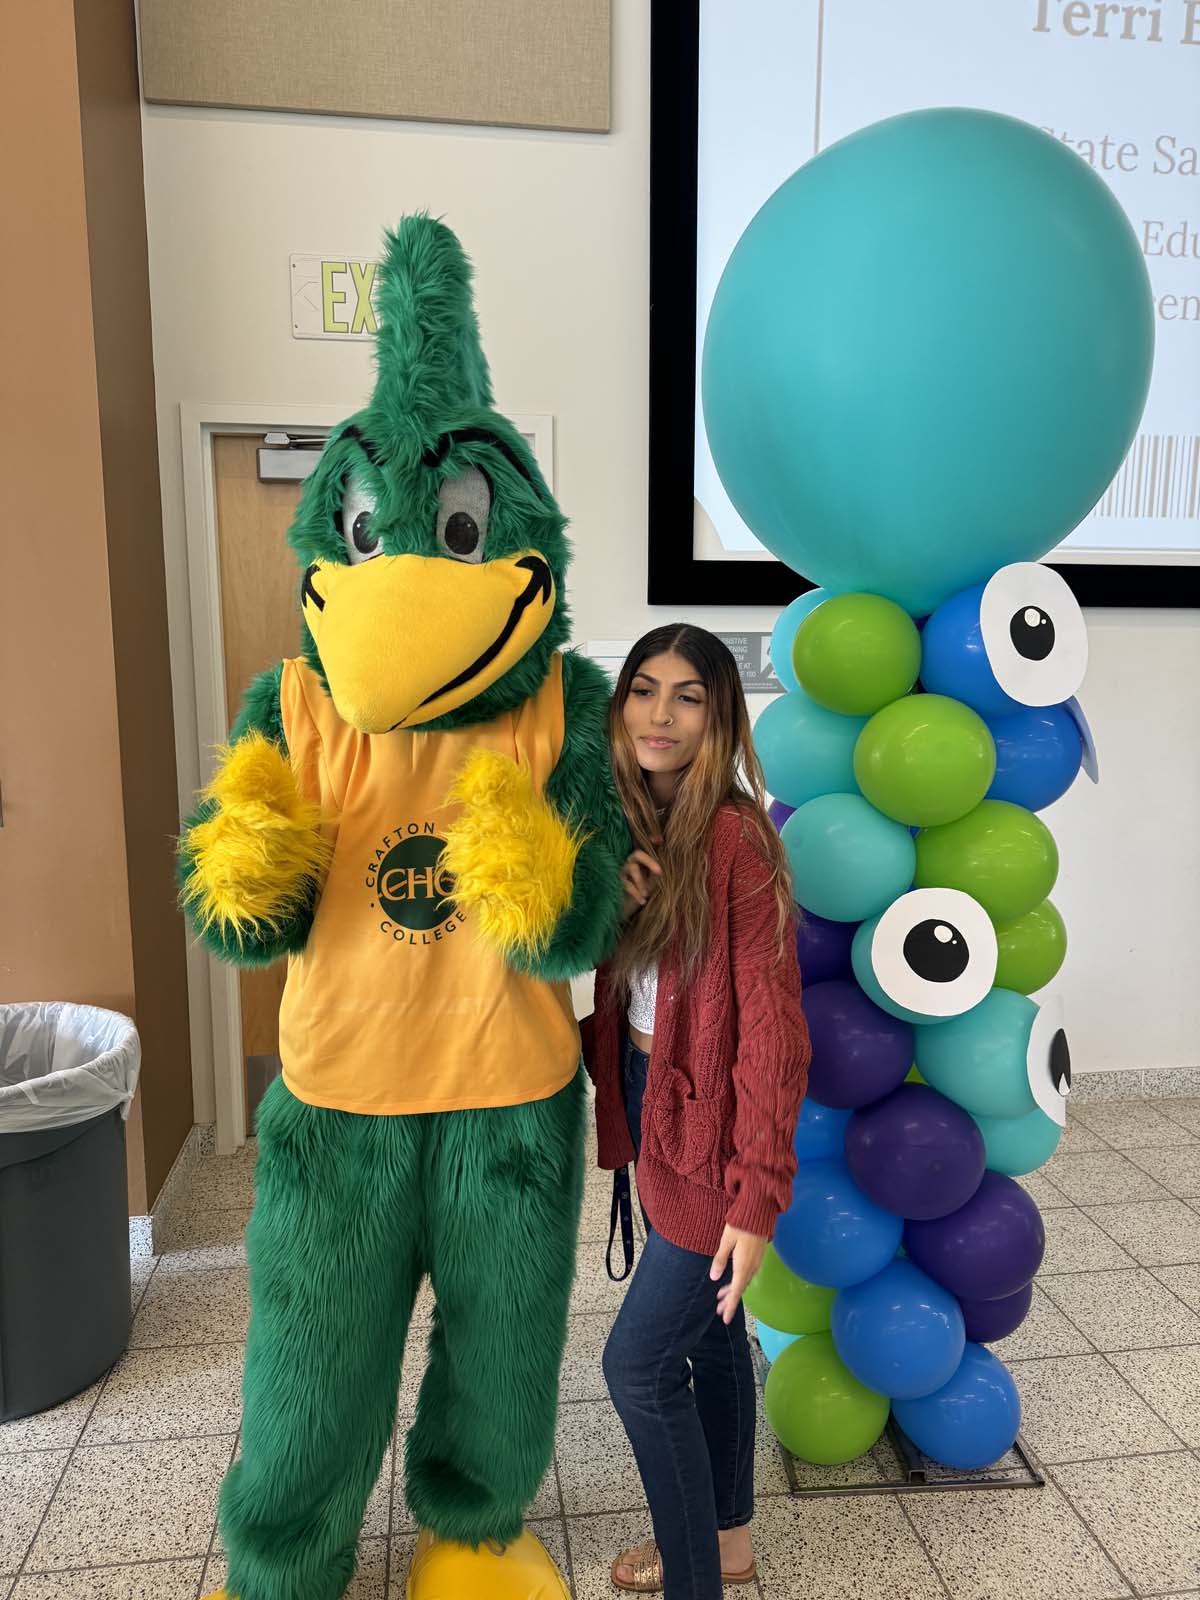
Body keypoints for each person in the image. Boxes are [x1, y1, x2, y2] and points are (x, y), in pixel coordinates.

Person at [582, 624, 810, 1598]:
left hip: (708, 1135)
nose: (660, 714)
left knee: (636, 1368)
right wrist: (616, 898)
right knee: (714, 1337)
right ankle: (728, 1544)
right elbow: (623, 985)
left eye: (686, 695)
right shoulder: (635, 823)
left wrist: (755, 1197)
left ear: (718, 716)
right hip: (651, 1099)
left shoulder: (732, 837)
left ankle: (692, 1580)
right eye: (644, 689)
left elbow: (772, 1029)